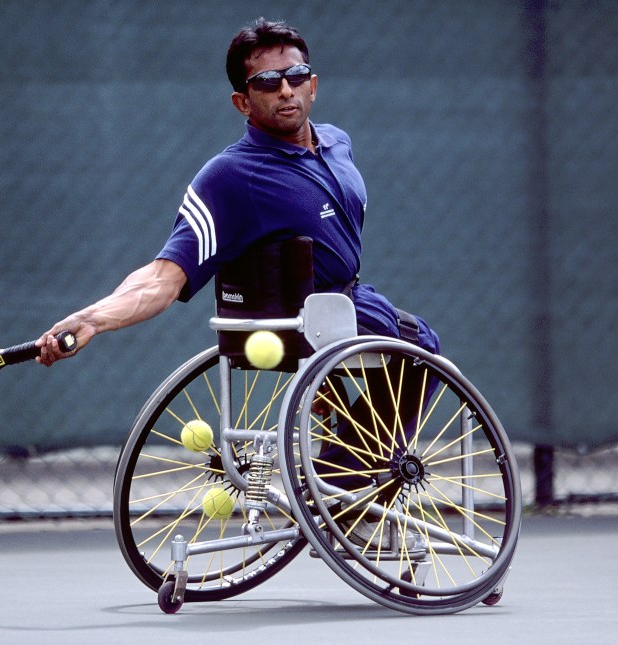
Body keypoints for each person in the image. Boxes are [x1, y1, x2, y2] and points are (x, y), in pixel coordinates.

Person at [36, 18, 439, 546]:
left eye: (296, 75)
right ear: (242, 103)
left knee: (407, 344)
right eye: (267, 83)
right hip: (310, 320)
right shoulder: (230, 177)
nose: (286, 89)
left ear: (313, 83)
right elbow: (162, 275)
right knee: (421, 345)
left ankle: (343, 476)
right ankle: (342, 493)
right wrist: (92, 318)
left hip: (345, 308)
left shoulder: (337, 143)